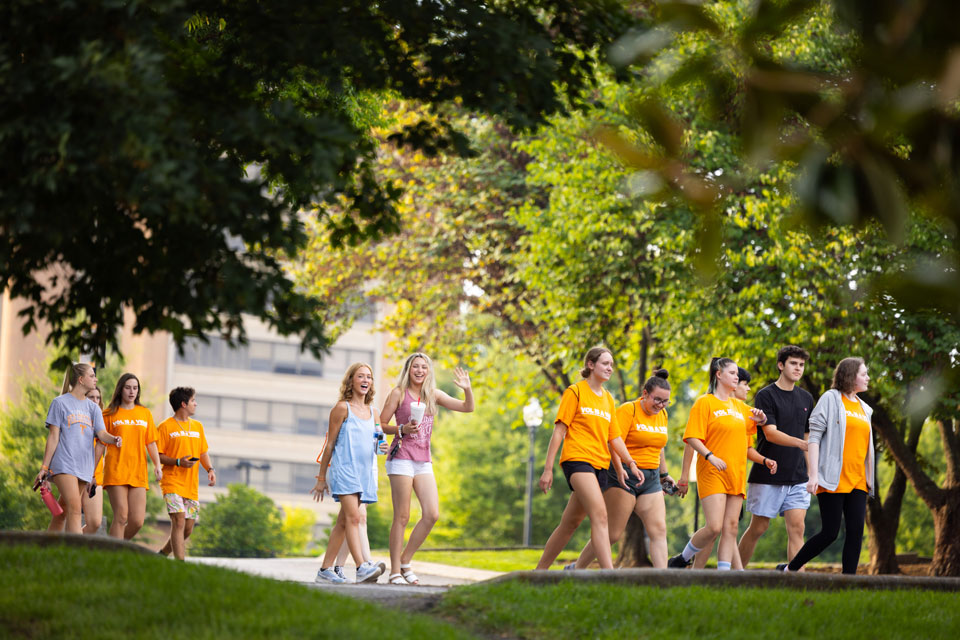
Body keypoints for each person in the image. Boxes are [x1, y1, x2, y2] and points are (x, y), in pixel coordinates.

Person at [535, 346, 643, 571]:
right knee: (600, 515)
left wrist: (629, 464)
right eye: (605, 363)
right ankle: (609, 575)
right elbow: (559, 432)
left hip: (600, 465)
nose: (610, 368)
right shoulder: (575, 392)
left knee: (570, 522)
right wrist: (547, 469)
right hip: (577, 459)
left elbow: (614, 438)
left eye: (612, 365)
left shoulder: (608, 399)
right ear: (591, 365)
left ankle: (539, 573)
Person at [669, 357, 775, 570]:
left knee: (731, 527)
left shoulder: (741, 407)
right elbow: (692, 438)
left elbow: (754, 433)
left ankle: (724, 575)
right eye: (733, 373)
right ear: (719, 374)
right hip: (711, 470)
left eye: (738, 374)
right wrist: (710, 456)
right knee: (714, 527)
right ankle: (682, 559)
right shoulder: (705, 402)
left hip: (735, 473)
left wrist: (762, 420)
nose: (737, 377)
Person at [380, 353, 474, 585]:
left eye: (424, 367)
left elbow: (467, 407)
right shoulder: (398, 393)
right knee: (402, 517)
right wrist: (402, 429)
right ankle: (394, 572)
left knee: (432, 514)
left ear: (428, 371)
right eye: (415, 367)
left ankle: (405, 561)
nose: (419, 371)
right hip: (401, 457)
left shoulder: (433, 395)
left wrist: (467, 388)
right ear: (408, 369)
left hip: (423, 461)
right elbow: (380, 424)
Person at [569, 369, 676, 569]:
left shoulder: (662, 414)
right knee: (612, 534)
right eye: (657, 400)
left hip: (651, 478)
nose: (661, 405)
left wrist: (664, 474)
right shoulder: (629, 410)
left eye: (665, 401)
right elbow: (614, 443)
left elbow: (659, 446)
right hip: (625, 475)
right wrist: (621, 471)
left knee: (659, 530)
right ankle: (576, 569)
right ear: (645, 394)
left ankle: (664, 579)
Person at [781, 357, 874, 574]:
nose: (868, 378)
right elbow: (813, 438)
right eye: (863, 374)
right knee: (830, 533)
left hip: (858, 480)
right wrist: (813, 475)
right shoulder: (831, 399)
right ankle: (791, 569)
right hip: (832, 476)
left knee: (855, 532)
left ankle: (847, 583)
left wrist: (869, 476)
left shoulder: (865, 409)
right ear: (851, 376)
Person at [738, 346, 814, 568]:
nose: (798, 368)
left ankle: (795, 578)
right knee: (759, 527)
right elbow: (770, 433)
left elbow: (807, 434)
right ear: (781, 365)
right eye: (793, 363)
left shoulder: (807, 398)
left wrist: (811, 473)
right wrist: (800, 443)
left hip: (798, 476)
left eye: (801, 365)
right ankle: (735, 574)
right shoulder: (766, 395)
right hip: (768, 474)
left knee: (797, 527)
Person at [312, 363, 387, 584]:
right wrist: (321, 478)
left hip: (364, 473)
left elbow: (376, 442)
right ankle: (362, 566)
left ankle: (325, 570)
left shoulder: (374, 412)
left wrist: (381, 447)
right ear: (351, 380)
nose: (366, 380)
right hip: (345, 470)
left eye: (369, 377)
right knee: (354, 518)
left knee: (344, 523)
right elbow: (329, 445)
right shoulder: (341, 409)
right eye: (361, 376)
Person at [35, 364, 121, 534]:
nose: (95, 379)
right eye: (91, 375)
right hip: (63, 464)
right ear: (81, 380)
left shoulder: (93, 408)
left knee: (64, 510)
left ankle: (46, 548)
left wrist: (114, 439)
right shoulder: (59, 403)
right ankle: (76, 555)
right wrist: (44, 468)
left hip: (84, 466)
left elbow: (101, 434)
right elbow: (53, 437)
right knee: (75, 508)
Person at [156, 387, 216, 560]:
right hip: (172, 482)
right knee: (179, 521)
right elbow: (158, 455)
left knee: (188, 527)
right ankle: (180, 565)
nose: (196, 404)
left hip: (191, 485)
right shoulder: (165, 427)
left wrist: (210, 469)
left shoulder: (197, 426)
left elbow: (203, 452)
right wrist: (177, 462)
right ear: (183, 404)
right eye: (193, 401)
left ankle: (163, 553)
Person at [102, 373, 162, 540]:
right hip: (116, 469)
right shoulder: (109, 413)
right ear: (120, 389)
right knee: (121, 516)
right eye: (128, 387)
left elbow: (151, 442)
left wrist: (157, 465)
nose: (131, 391)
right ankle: (114, 556)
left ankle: (114, 545)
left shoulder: (144, 413)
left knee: (137, 521)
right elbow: (100, 443)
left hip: (138, 471)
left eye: (135, 388)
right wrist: (93, 470)